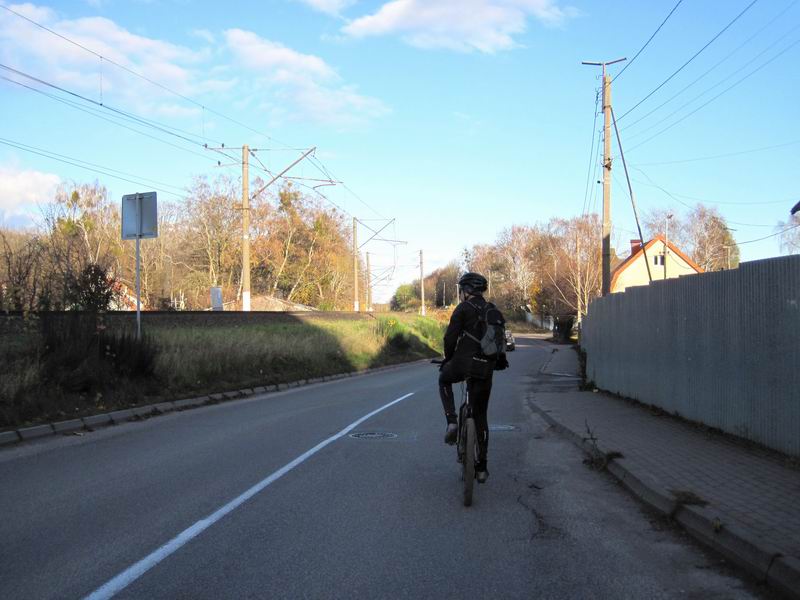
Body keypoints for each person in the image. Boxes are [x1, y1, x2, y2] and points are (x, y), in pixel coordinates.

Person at [438, 272, 508, 483]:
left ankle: (452, 421)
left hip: (462, 364)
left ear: (466, 290)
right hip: (485, 367)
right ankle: (482, 468)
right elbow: (500, 341)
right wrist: (499, 361)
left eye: (461, 290)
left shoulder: (463, 309)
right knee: (481, 416)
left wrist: (448, 359)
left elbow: (450, 338)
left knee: (444, 379)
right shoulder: (493, 310)